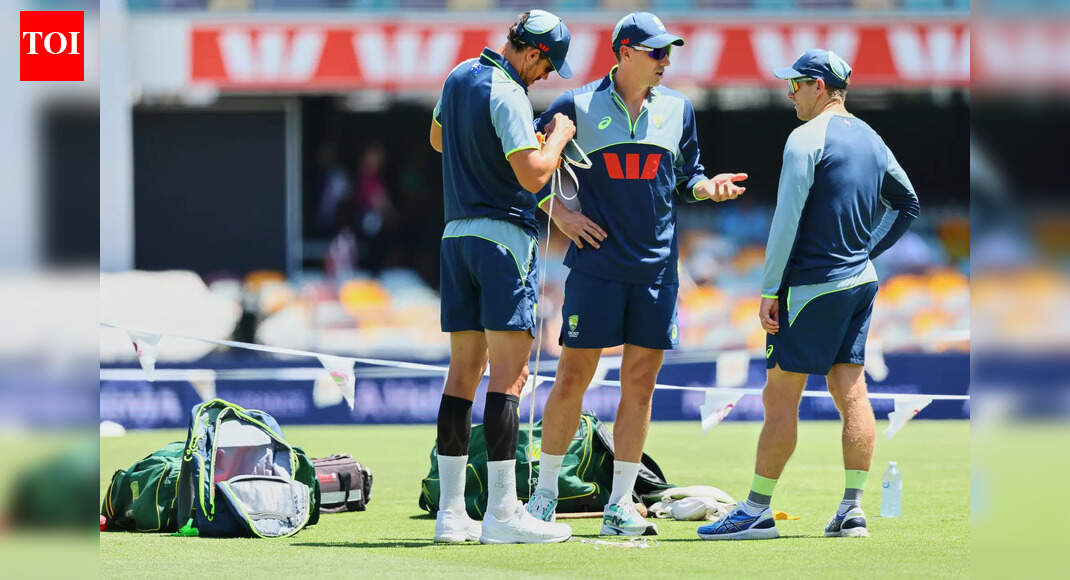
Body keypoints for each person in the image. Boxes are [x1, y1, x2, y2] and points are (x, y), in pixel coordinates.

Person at [524, 12, 747, 536]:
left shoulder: (679, 108)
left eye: (669, 53)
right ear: (624, 51)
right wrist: (561, 215)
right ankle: (544, 496)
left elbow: (687, 178)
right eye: (657, 53)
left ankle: (620, 505)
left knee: (640, 386)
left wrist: (707, 188)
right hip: (596, 269)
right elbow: (524, 166)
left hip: (657, 272)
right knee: (571, 380)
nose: (666, 62)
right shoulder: (574, 104)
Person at [697, 49, 920, 541]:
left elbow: (786, 222)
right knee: (851, 391)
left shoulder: (805, 138)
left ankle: (755, 511)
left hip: (813, 287)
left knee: (779, 399)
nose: (789, 92)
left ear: (819, 86)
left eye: (795, 84)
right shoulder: (872, 138)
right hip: (859, 282)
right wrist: (865, 252)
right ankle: (852, 510)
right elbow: (908, 204)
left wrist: (769, 290)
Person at [428, 10, 578, 545]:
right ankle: (502, 513)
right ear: (534, 53)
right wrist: (556, 135)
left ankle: (450, 515)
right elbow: (536, 174)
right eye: (547, 66)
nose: (545, 77)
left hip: (455, 237)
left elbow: (438, 140)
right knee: (509, 378)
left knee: (461, 374)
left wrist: (498, 148)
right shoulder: (509, 91)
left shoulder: (459, 74)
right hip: (502, 241)